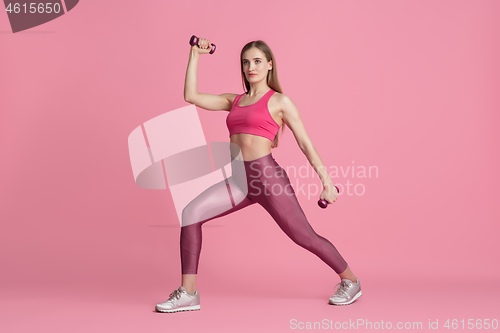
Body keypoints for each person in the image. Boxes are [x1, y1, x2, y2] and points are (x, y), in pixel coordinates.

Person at [155, 38, 362, 313]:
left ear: (269, 65)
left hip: (268, 180)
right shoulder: (235, 100)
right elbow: (191, 96)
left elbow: (305, 143)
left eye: (256, 61)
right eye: (245, 62)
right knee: (190, 213)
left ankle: (351, 281)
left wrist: (327, 182)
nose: (250, 67)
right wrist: (195, 55)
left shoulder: (280, 101)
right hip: (238, 180)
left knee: (305, 236)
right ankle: (188, 293)